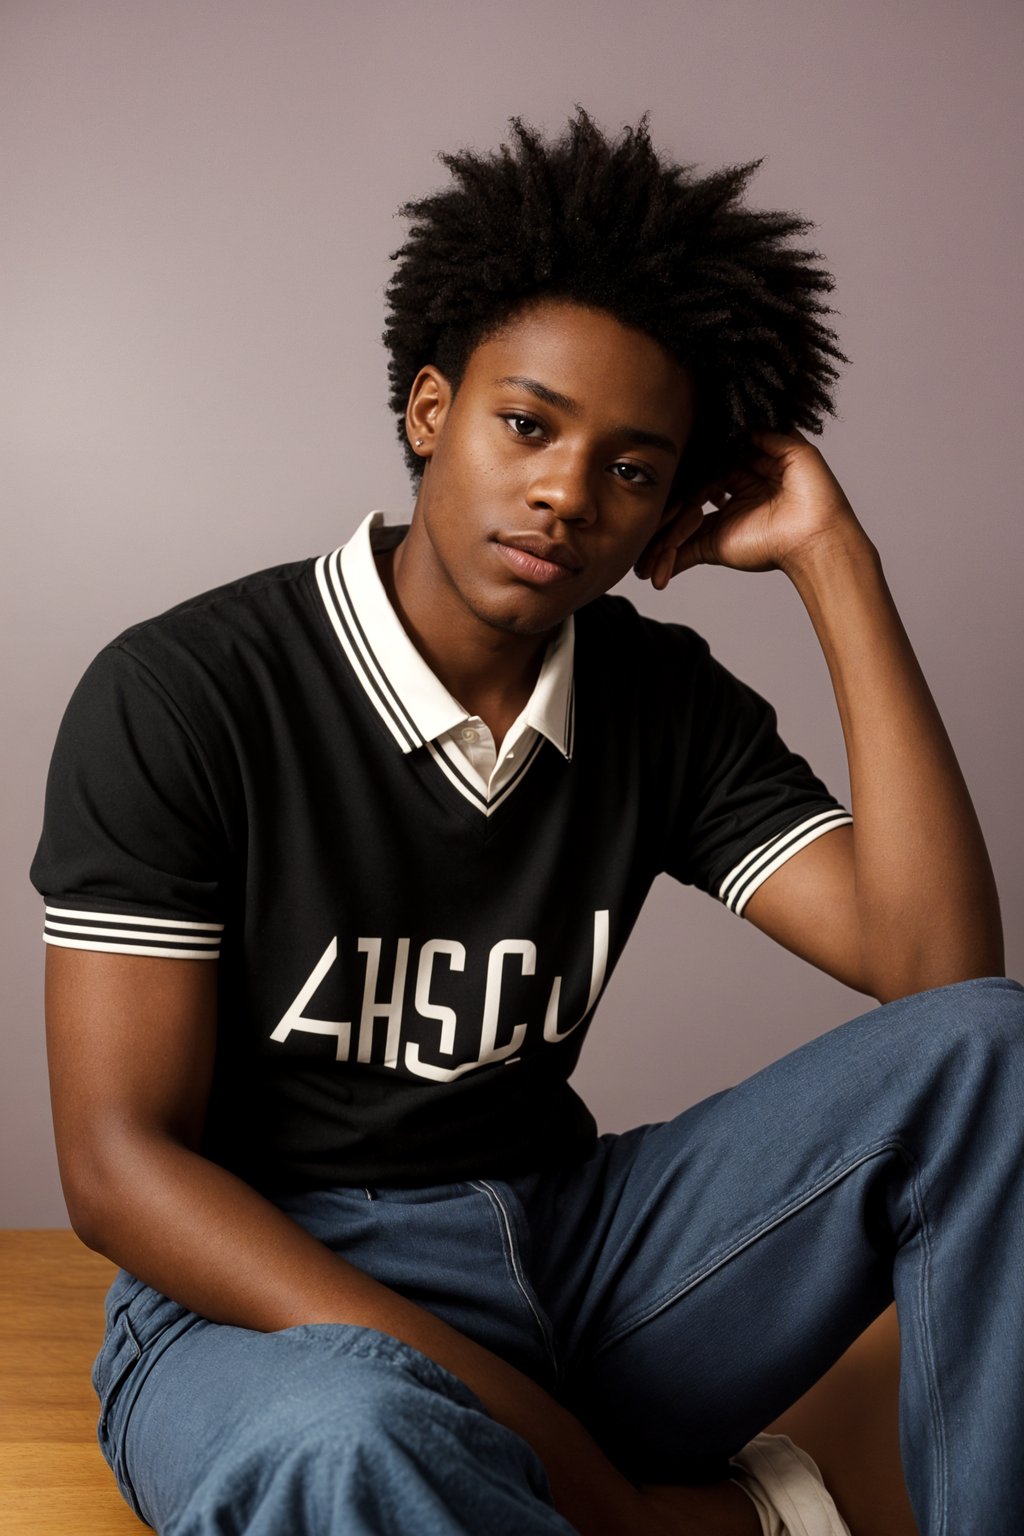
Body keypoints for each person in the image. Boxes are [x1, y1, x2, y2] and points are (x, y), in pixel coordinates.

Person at [32, 110, 1021, 1536]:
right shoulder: (185, 692)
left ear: (675, 499)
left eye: (632, 467)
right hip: (259, 1306)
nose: (567, 491)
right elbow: (119, 1169)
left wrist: (833, 558)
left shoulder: (651, 697)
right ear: (432, 411)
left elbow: (945, 991)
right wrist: (580, 1472)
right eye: (527, 425)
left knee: (998, 1057)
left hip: (570, 1257)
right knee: (347, 1444)